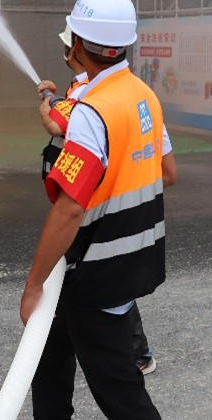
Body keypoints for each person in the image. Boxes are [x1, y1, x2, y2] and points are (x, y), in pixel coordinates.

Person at [21, 0, 176, 419]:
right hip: (121, 264)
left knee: (122, 396)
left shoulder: (92, 114)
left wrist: (33, 285)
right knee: (48, 368)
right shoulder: (143, 96)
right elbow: (167, 171)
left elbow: (70, 208)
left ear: (78, 47)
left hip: (96, 272)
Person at [38, 24, 161, 377]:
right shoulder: (118, 92)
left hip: (95, 212)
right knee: (110, 292)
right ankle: (132, 353)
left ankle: (136, 354)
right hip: (114, 218)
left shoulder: (95, 99)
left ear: (76, 49)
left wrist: (51, 112)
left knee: (104, 290)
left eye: (68, 46)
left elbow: (62, 123)